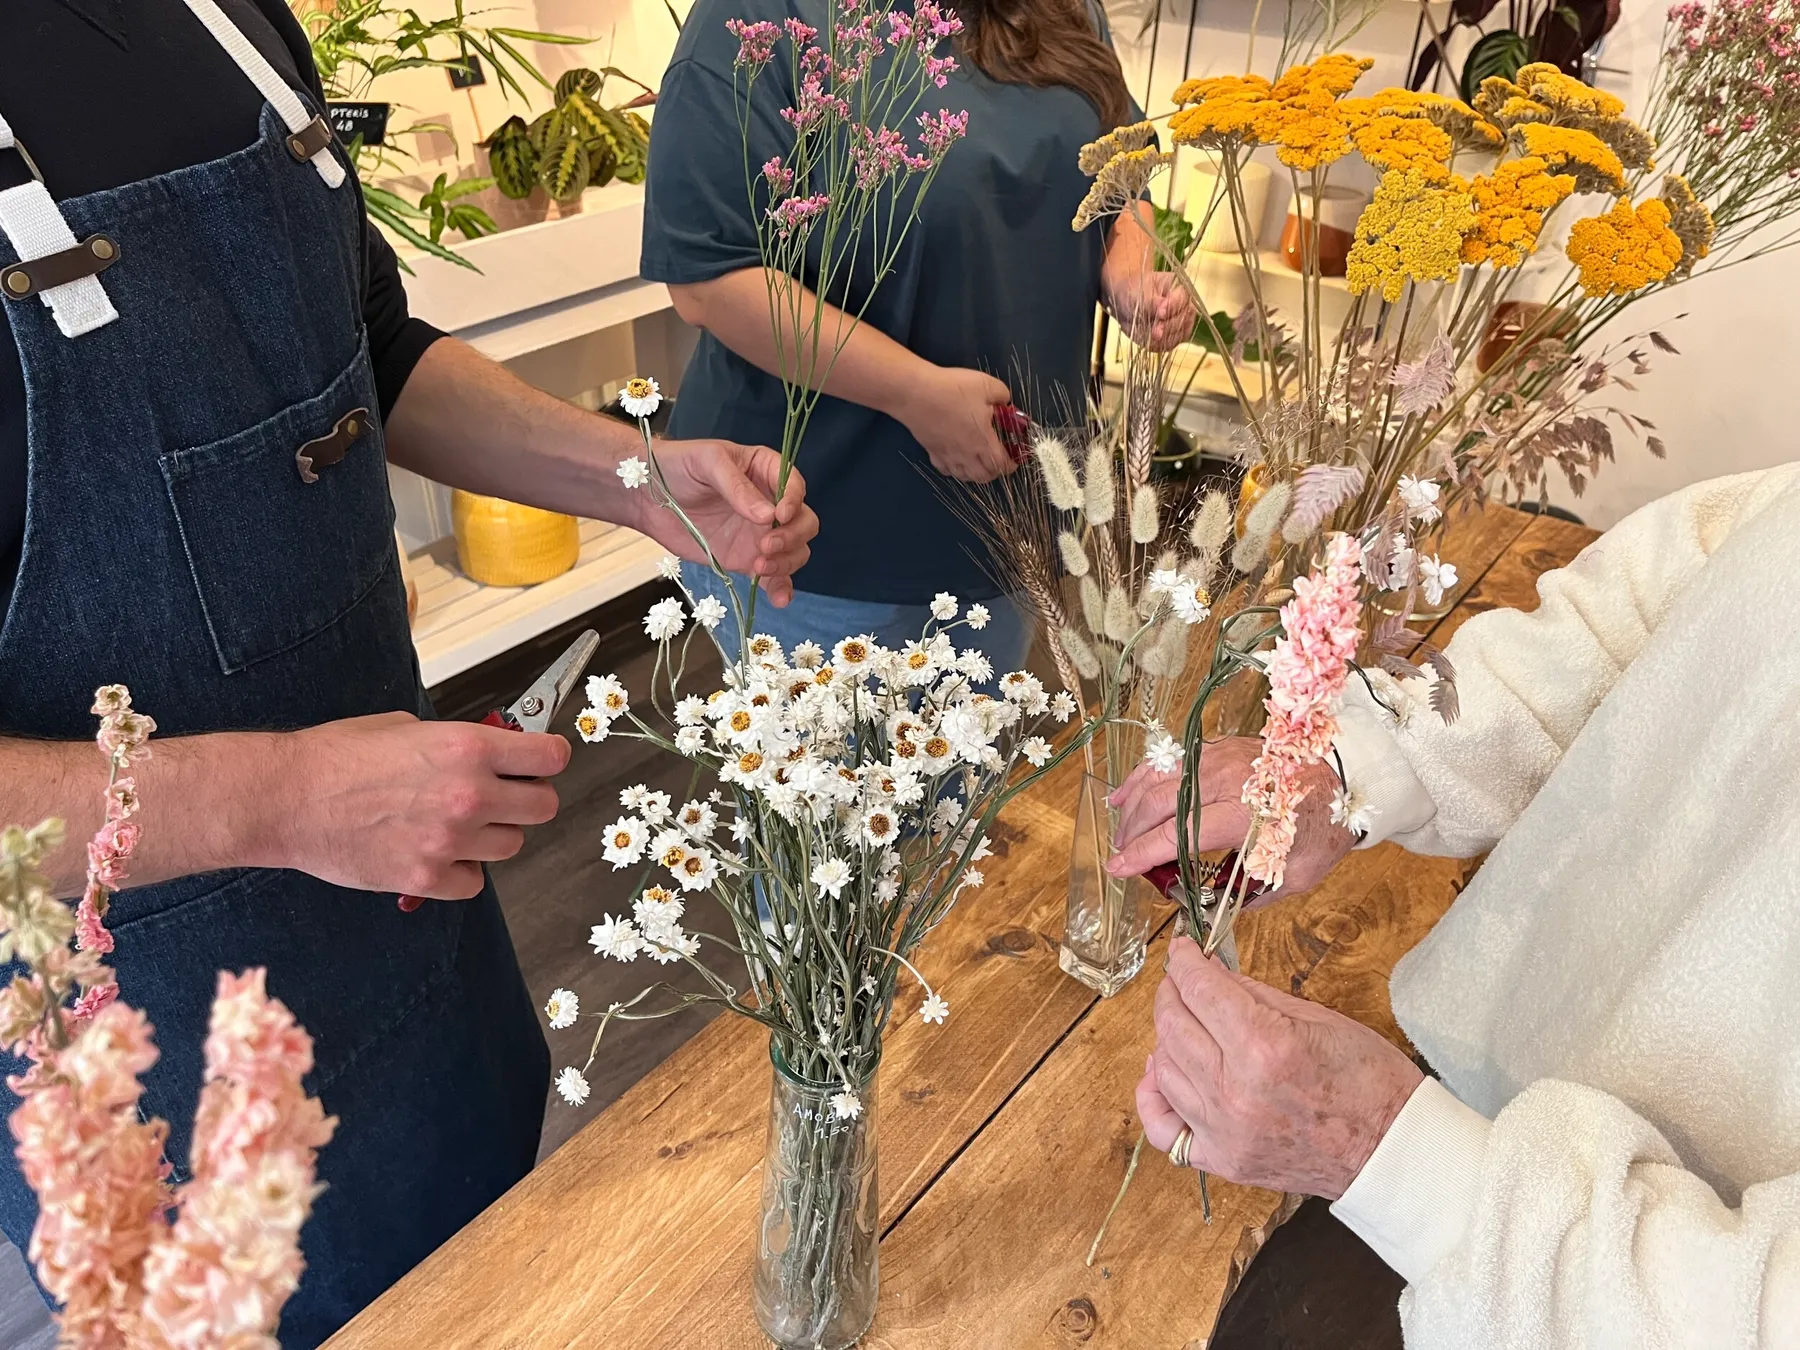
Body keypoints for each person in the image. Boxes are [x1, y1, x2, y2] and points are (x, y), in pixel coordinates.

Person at [0, 2, 817, 1344]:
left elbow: (372, 350)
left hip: (418, 936)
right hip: (153, 1058)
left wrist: (636, 478)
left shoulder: (230, 20)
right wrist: (278, 799)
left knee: (506, 1265)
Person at [1109, 464, 1800, 1346]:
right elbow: (1622, 627)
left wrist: (1388, 1156)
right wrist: (1350, 771)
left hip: (1530, 1267)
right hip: (1457, 1113)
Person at [639, 0, 1194, 672]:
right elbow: (709, 279)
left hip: (1012, 513)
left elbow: (1123, 163)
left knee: (974, 770)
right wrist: (915, 394)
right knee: (849, 775)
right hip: (822, 533)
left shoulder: (1063, 8)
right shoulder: (764, 15)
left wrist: (1131, 260)